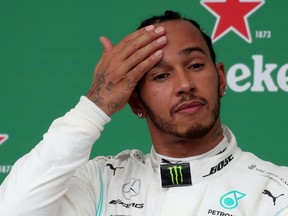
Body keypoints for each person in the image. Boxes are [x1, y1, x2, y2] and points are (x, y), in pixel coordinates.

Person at [0, 10, 288, 216]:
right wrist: (94, 106)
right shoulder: (101, 182)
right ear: (136, 103)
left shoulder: (277, 191)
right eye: (161, 76)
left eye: (196, 66)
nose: (185, 84)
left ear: (221, 79)